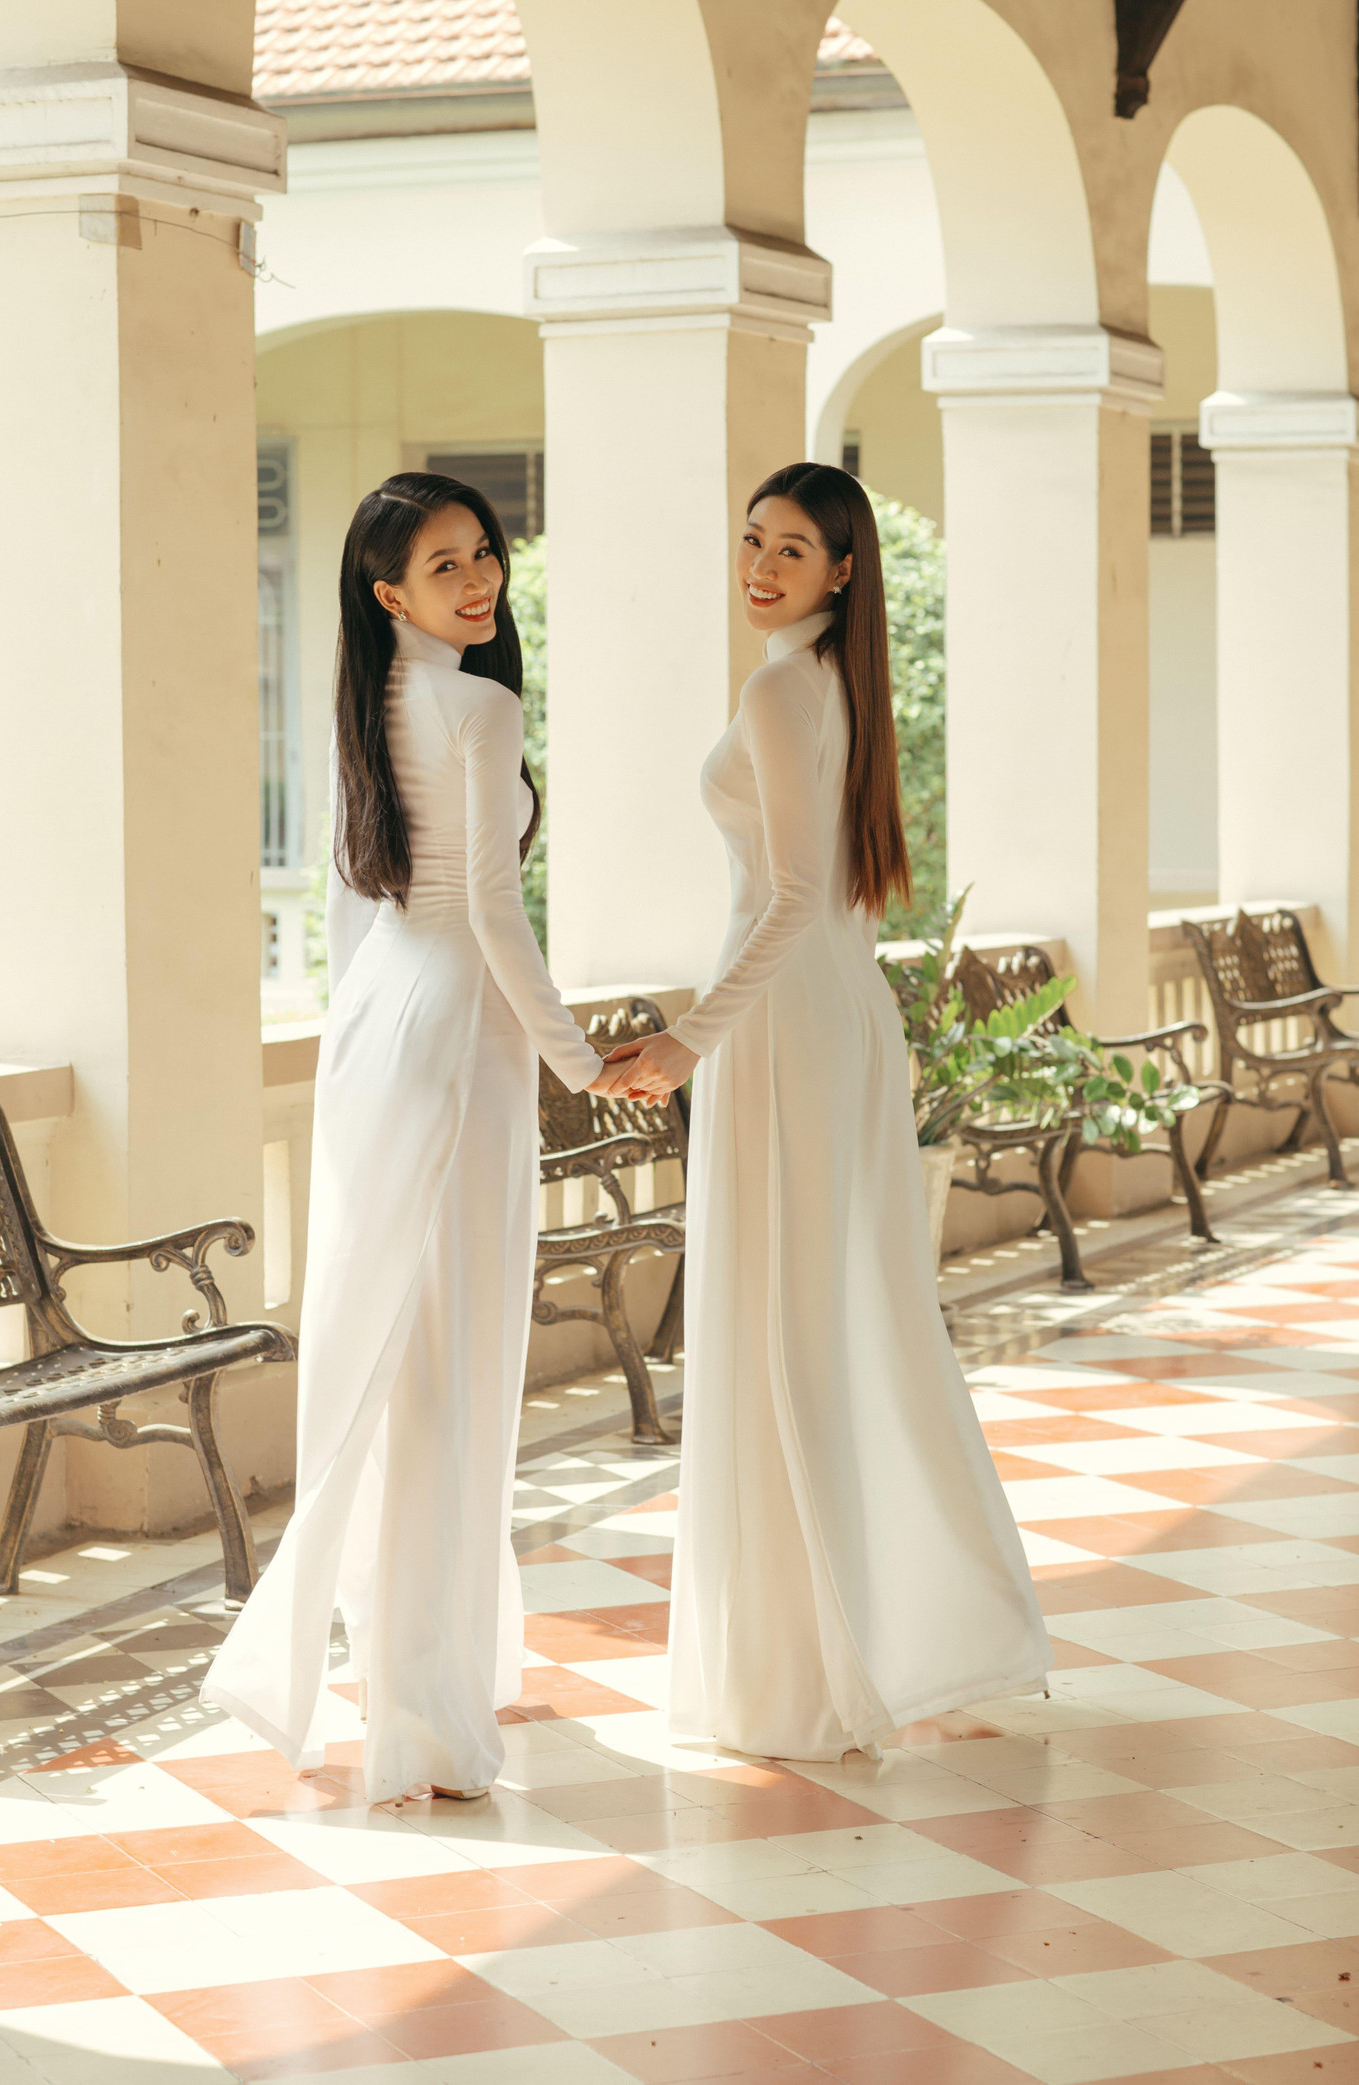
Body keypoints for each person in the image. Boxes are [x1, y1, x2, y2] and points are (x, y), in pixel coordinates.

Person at [601, 463, 1050, 1762]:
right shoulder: (834, 684)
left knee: (785, 1332)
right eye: (751, 539)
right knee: (836, 1322)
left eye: (790, 549)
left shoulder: (780, 688)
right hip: (831, 1013)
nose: (759, 565)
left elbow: (792, 893)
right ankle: (857, 1644)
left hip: (785, 1023)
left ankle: (801, 1675)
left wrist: (687, 1038)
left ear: (842, 570)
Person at [203, 473, 612, 1803]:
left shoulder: (362, 704)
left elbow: (349, 906)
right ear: (389, 591)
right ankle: (426, 1710)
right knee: (453, 1355)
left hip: (376, 1029)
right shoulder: (478, 708)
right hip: (457, 1030)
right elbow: (493, 911)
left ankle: (420, 1674)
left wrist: (368, 1037)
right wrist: (580, 1060)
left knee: (390, 1348)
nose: (480, 579)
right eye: (446, 565)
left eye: (483, 553)